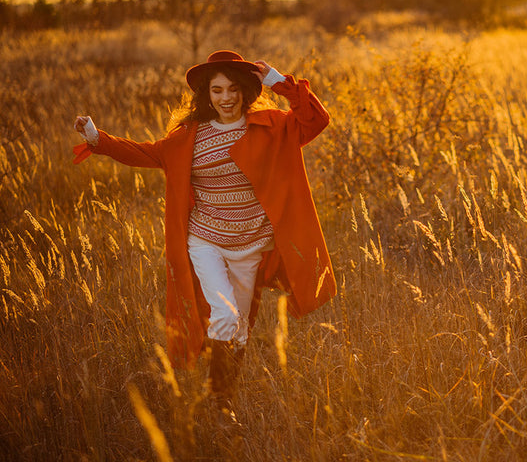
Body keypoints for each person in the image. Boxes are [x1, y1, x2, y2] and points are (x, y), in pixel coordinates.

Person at [72, 50, 336, 409]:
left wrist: (278, 81)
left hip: (252, 245)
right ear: (206, 95)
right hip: (206, 242)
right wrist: (95, 136)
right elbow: (145, 153)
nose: (225, 98)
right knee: (225, 315)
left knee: (240, 329)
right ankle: (219, 403)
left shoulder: (272, 127)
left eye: (232, 89)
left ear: (245, 91)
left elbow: (316, 119)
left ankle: (221, 401)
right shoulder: (189, 137)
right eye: (216, 91)